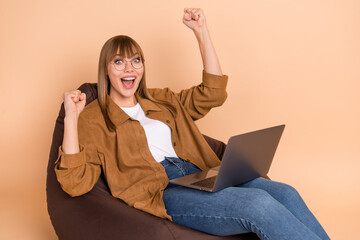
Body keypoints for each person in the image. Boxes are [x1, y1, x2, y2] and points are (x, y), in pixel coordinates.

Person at [55, 8, 330, 240]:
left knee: (285, 192)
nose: (130, 69)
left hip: (202, 175)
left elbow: (213, 94)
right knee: (257, 205)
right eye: (119, 62)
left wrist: (201, 32)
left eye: (136, 60)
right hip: (164, 191)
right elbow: (75, 183)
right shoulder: (93, 117)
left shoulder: (162, 100)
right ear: (105, 69)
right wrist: (71, 116)